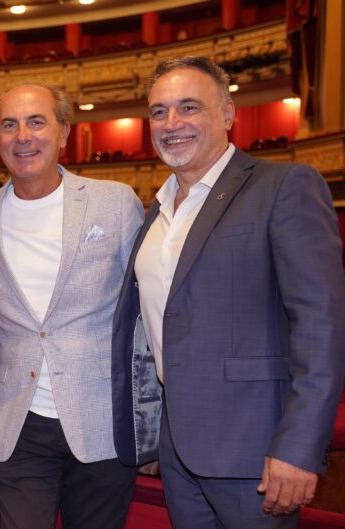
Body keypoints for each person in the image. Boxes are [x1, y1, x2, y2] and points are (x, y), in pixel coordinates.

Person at [111, 56, 345, 529]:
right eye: (159, 112)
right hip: (179, 452)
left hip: (256, 451)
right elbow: (154, 332)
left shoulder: (283, 187)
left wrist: (298, 448)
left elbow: (321, 324)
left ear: (228, 114)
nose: (171, 124)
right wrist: (154, 435)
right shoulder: (153, 215)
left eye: (188, 107)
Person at [0, 83, 144, 529]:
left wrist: (151, 425)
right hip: (18, 423)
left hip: (102, 422)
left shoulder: (115, 203)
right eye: (9, 125)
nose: (23, 136)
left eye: (37, 121)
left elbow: (144, 318)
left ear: (63, 133)